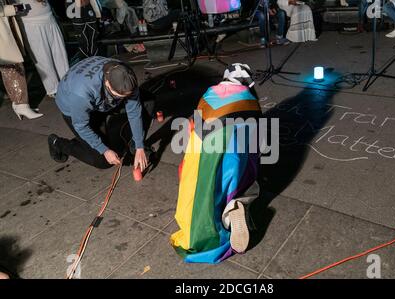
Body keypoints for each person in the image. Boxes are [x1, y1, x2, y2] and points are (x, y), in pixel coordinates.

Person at [171, 63, 262, 263]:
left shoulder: (208, 94)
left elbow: (193, 126)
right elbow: (255, 141)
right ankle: (236, 206)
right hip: (233, 148)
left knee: (203, 191)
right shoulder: (251, 102)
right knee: (241, 178)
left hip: (203, 146)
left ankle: (220, 219)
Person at [48, 56, 153, 171]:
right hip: (73, 107)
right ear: (107, 82)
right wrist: (104, 150)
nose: (123, 99)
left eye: (126, 96)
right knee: (102, 160)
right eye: (118, 96)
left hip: (98, 100)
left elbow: (134, 111)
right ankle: (58, 143)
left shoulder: (126, 74)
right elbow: (82, 126)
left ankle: (133, 147)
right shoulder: (81, 94)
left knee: (148, 101)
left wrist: (139, 146)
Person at [14, 0, 69, 98]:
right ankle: (53, 89)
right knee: (42, 58)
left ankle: (67, 82)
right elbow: (14, 7)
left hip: (49, 18)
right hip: (31, 23)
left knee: (60, 54)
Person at [0, 0, 43, 120]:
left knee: (14, 68)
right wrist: (15, 8)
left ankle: (20, 103)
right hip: (2, 36)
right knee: (13, 69)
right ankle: (21, 105)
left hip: (6, 31)